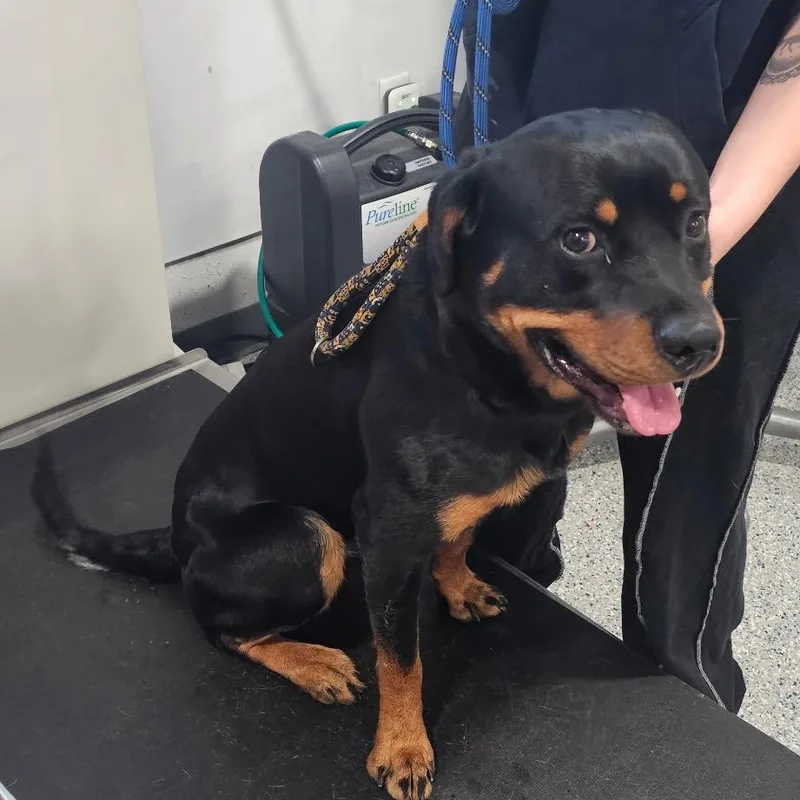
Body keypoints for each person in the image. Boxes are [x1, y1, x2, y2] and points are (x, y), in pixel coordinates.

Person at [457, 0, 800, 712]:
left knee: (683, 500)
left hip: (727, 167)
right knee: (490, 466)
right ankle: (498, 640)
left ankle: (684, 715)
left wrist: (686, 260)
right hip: (532, 121)